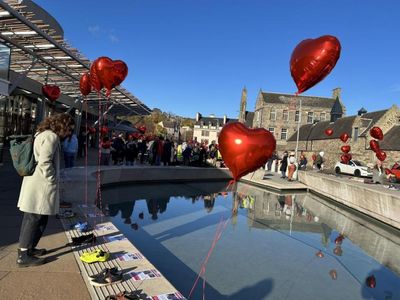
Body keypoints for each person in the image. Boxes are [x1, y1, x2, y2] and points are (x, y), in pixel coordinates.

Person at [17, 113, 75, 267]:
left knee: (38, 218)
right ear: (62, 125)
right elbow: (44, 161)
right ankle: (23, 255)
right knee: (34, 218)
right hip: (41, 185)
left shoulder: (43, 133)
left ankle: (29, 249)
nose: (69, 132)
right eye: (69, 129)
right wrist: (53, 178)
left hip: (36, 182)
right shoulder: (51, 137)